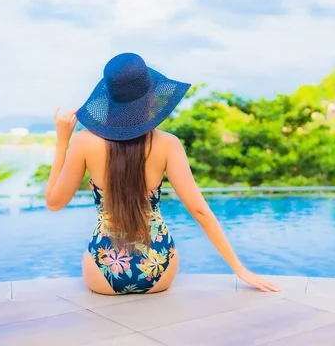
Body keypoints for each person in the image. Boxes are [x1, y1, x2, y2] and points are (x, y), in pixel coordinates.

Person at [45, 52, 279, 295]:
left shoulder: (84, 143)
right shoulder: (168, 144)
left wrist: (62, 141)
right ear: (150, 99)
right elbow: (200, 211)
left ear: (109, 101)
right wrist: (239, 269)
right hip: (159, 269)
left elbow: (53, 203)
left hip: (102, 270)